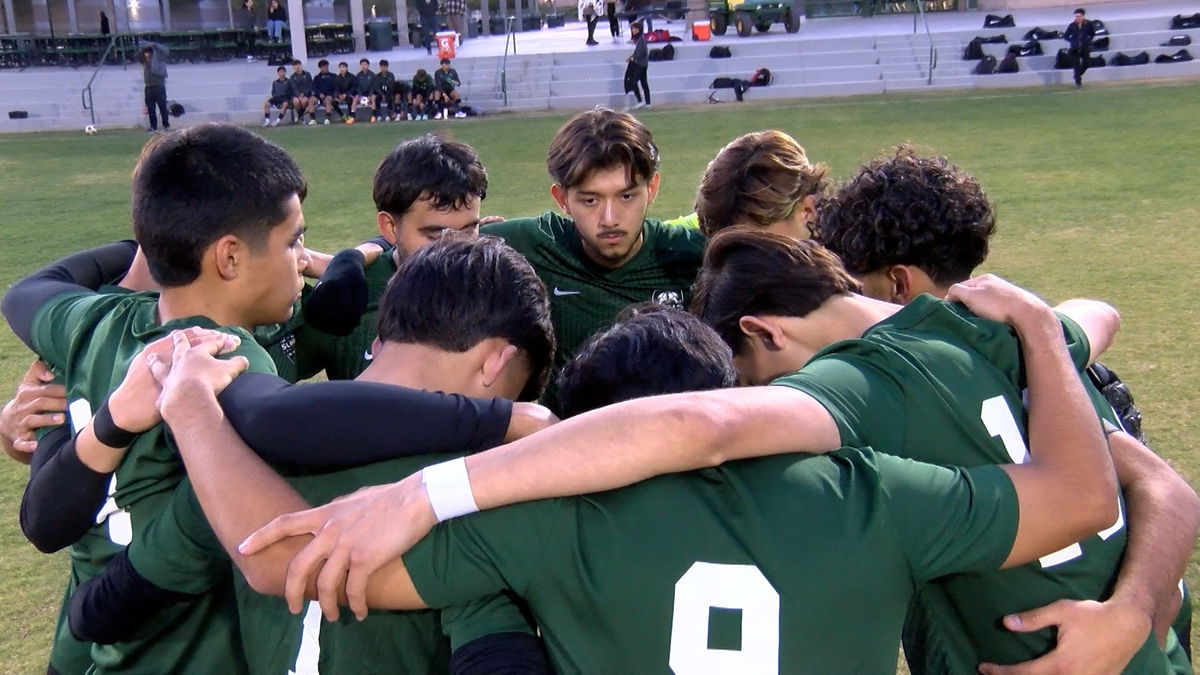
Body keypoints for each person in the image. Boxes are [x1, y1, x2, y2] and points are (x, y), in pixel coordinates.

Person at [235, 267, 1124, 674]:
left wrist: (195, 411)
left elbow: (277, 562)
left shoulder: (551, 518)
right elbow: (1083, 496)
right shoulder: (876, 491)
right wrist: (1044, 331)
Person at [67, 236, 557, 674]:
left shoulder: (225, 465)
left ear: (380, 342)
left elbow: (101, 611)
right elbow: (498, 650)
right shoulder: (464, 494)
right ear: (498, 361)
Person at [809, 147, 1196, 672]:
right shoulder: (1028, 350)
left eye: (854, 287)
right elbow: (1167, 486)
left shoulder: (901, 382)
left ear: (898, 283)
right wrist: (1133, 614)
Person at [0, 123, 310, 673]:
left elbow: (26, 293)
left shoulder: (96, 323)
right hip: (179, 653)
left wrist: (150, 241)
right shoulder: (226, 358)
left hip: (85, 651)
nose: (303, 260)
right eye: (293, 242)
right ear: (229, 257)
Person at [481, 107, 705, 410]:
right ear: (562, 200)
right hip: (566, 446)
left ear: (651, 189)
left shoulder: (692, 256)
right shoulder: (532, 244)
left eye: (627, 196)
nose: (610, 219)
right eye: (590, 200)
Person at [291, 134, 491, 382]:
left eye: (469, 229)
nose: (456, 250)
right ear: (389, 227)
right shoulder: (348, 300)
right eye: (435, 236)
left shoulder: (498, 282)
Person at [693, 129, 828, 238]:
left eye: (759, 250)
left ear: (807, 211)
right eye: (724, 250)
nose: (738, 266)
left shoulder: (844, 261)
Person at [138, 41, 170, 133]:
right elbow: (137, 56)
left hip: (159, 86)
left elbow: (165, 51)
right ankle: (153, 126)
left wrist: (154, 45)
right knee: (151, 108)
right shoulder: (144, 61)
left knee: (162, 107)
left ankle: (166, 125)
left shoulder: (159, 59)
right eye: (145, 53)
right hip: (149, 87)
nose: (147, 55)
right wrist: (143, 48)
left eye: (148, 53)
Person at [1064, 7, 1096, 88]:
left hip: (1085, 48)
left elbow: (1092, 33)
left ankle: (1077, 76)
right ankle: (1078, 82)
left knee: (1086, 64)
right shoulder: (1072, 25)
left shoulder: (1088, 24)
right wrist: (1073, 41)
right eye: (1076, 16)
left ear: (1083, 16)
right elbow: (1065, 36)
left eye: (1079, 16)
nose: (1077, 18)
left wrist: (1088, 40)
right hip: (1074, 49)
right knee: (1076, 66)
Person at [624, 21, 650, 110]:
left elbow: (643, 52)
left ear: (638, 29)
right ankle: (647, 102)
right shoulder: (640, 39)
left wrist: (634, 58)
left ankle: (640, 101)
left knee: (634, 81)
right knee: (643, 82)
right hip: (642, 64)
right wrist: (631, 57)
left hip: (640, 64)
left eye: (633, 28)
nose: (632, 30)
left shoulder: (641, 39)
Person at [288, 59, 316, 125]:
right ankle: (301, 116)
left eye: (298, 65)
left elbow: (310, 85)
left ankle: (301, 116)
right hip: (297, 95)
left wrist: (304, 94)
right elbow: (294, 88)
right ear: (293, 67)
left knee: (303, 101)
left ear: (301, 66)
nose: (297, 67)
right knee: (296, 101)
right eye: (295, 66)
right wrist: (298, 95)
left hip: (306, 94)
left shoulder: (307, 74)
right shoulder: (292, 77)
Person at [311, 59, 336, 124]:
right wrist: (319, 94)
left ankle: (327, 118)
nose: (325, 68)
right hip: (319, 96)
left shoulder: (333, 76)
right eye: (323, 67)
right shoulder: (317, 77)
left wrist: (331, 94)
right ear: (320, 68)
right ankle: (313, 119)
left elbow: (336, 87)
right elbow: (314, 88)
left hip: (329, 95)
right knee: (311, 100)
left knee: (328, 99)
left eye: (326, 66)